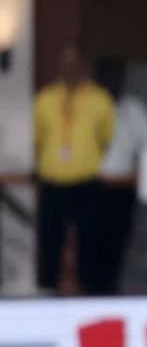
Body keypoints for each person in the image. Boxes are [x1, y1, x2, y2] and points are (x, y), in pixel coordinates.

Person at [33, 44, 115, 295]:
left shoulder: (100, 99)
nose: (70, 69)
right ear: (60, 66)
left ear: (84, 67)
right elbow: (39, 138)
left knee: (90, 240)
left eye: (75, 64)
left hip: (86, 180)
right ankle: (47, 288)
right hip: (53, 180)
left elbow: (105, 138)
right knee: (50, 238)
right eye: (66, 64)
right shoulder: (45, 98)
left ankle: (89, 289)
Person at [95, 56, 147, 294]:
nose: (114, 81)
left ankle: (112, 293)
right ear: (98, 79)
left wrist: (142, 173)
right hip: (89, 186)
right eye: (108, 76)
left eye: (118, 76)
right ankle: (91, 293)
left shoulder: (133, 109)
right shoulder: (89, 105)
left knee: (118, 246)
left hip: (122, 187)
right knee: (90, 247)